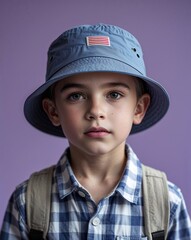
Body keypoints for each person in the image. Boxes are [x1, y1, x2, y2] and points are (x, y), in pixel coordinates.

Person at [1, 23, 191, 239]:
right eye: (76, 96)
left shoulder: (167, 201)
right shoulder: (27, 201)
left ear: (138, 109)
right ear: (53, 111)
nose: (96, 111)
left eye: (114, 94)